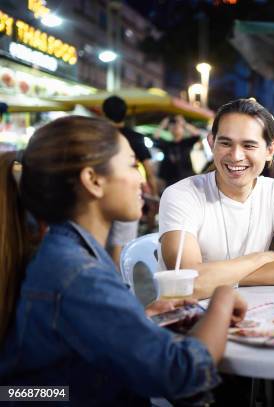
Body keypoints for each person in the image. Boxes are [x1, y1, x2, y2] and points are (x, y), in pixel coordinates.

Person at [0, 116, 247, 404]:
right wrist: (223, 297)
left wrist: (136, 319)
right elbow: (180, 372)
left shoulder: (66, 254)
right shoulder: (78, 273)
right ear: (93, 180)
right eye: (132, 165)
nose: (142, 179)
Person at [159, 98, 274, 299]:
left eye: (249, 145)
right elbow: (189, 283)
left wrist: (216, 276)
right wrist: (261, 258)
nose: (235, 156)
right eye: (225, 143)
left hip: (256, 312)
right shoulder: (182, 195)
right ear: (211, 143)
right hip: (191, 318)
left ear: (270, 151)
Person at [102, 95, 159, 266]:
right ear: (125, 113)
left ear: (104, 112)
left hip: (100, 193)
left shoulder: (99, 136)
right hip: (126, 193)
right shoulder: (134, 137)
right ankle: (117, 283)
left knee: (100, 240)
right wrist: (154, 194)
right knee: (122, 242)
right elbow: (149, 171)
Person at [153, 115, 202, 188]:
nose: (175, 127)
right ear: (169, 129)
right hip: (171, 182)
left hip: (187, 180)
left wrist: (184, 123)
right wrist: (163, 124)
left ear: (183, 130)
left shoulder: (186, 142)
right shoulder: (167, 145)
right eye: (172, 126)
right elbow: (155, 139)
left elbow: (197, 135)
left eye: (178, 126)